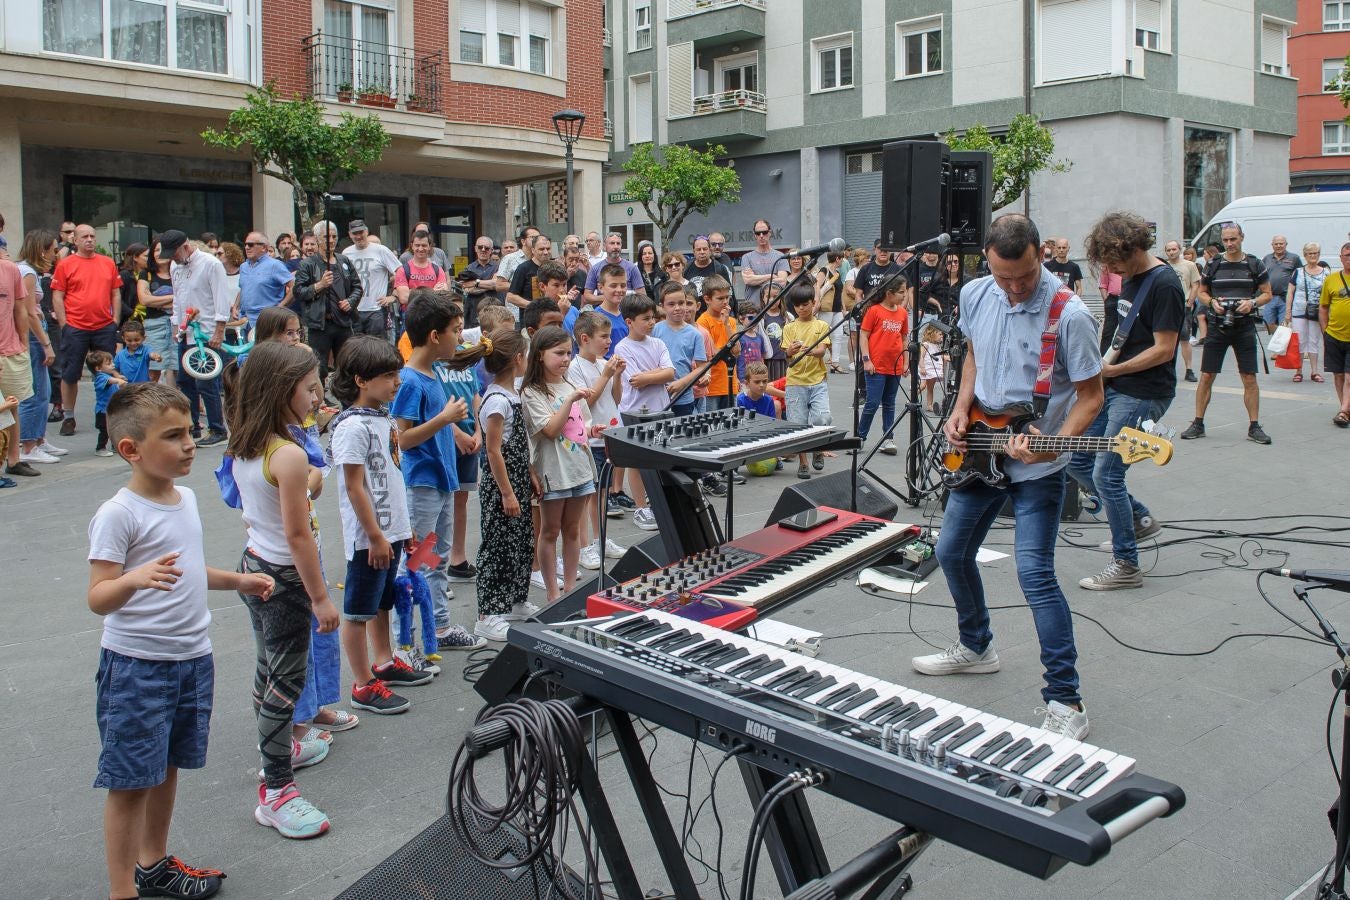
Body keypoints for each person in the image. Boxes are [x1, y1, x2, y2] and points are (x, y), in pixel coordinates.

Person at [914, 214, 1103, 741]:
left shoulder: (1071, 315)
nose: (1015, 289)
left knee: (1035, 575)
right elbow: (974, 353)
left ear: (1041, 254)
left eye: (1023, 277)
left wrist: (1053, 442)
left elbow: (1092, 397)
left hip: (1038, 464)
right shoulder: (976, 293)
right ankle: (977, 647)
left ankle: (1066, 699)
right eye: (1004, 279)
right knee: (950, 552)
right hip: (981, 445)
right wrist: (959, 408)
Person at [88, 382, 272, 900]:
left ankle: (153, 864)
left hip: (191, 658)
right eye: (173, 436)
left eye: (190, 432)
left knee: (167, 768)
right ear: (131, 449)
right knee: (130, 781)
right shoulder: (119, 513)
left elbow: (188, 570)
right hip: (137, 666)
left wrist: (237, 580)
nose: (190, 444)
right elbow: (99, 597)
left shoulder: (185, 497)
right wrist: (133, 579)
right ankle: (122, 890)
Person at [227, 341, 340, 838]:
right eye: (310, 388)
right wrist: (319, 598)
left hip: (256, 565)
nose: (316, 396)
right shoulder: (288, 454)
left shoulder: (247, 441)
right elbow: (298, 536)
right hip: (287, 580)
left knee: (267, 670)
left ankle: (280, 750)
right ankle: (277, 790)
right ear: (281, 391)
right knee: (285, 685)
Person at [1069, 212, 1184, 591]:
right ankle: (1136, 519)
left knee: (1107, 474)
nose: (1111, 268)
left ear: (1133, 248)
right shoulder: (1129, 277)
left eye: (1115, 260)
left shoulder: (1164, 284)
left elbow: (1165, 350)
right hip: (1116, 385)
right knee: (1078, 459)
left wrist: (1114, 373)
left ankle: (1126, 565)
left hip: (1143, 391)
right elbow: (1118, 329)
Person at [327, 337, 421, 716]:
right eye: (387, 376)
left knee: (382, 602)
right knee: (359, 610)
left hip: (391, 531)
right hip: (370, 538)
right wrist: (377, 536)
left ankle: (383, 662)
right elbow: (354, 487)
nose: (396, 382)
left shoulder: (381, 418)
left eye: (396, 374)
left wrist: (403, 528)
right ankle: (363, 682)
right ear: (360, 380)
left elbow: (394, 477)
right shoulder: (351, 427)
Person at [391, 292, 483, 652]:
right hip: (422, 485)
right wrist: (444, 419)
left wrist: (450, 425)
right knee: (414, 562)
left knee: (437, 558)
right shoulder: (410, 380)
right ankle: (403, 644)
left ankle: (439, 628)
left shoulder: (432, 375)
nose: (460, 338)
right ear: (434, 336)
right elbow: (403, 439)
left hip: (442, 481)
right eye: (456, 330)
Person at [522, 326, 597, 604]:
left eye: (568, 352)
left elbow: (580, 428)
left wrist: (594, 430)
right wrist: (568, 400)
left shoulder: (569, 386)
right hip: (554, 471)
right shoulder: (532, 392)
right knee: (550, 531)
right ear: (540, 355)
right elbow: (551, 430)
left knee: (573, 530)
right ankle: (553, 593)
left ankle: (569, 590)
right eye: (558, 353)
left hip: (579, 468)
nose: (566, 358)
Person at [1179, 223, 1273, 445]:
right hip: (1217, 327)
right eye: (1226, 240)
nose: (1229, 244)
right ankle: (1198, 422)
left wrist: (1252, 302)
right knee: (1207, 376)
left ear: (1242, 238)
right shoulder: (1213, 263)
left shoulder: (1254, 263)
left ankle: (1254, 426)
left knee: (1249, 377)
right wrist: (1212, 303)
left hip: (1244, 327)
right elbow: (1202, 292)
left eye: (1233, 239)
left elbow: (1268, 293)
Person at [475, 329, 535, 640]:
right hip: (502, 487)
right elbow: (493, 449)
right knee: (497, 546)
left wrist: (530, 474)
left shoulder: (512, 395)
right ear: (517, 358)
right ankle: (487, 612)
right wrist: (507, 492)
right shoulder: (496, 401)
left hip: (519, 480)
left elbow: (518, 443)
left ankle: (514, 600)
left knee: (521, 542)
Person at [568, 311, 627, 570]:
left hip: (609, 435)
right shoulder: (575, 367)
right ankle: (586, 545)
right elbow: (585, 406)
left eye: (609, 336)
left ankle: (601, 538)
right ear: (584, 338)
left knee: (603, 493)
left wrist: (615, 376)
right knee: (590, 494)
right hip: (590, 438)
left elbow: (615, 399)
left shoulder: (603, 363)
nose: (608, 342)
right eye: (603, 337)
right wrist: (605, 375)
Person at [162, 230, 232, 446]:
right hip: (186, 331)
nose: (172, 258)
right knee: (184, 381)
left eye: (174, 253)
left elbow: (222, 297)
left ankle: (217, 428)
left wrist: (219, 330)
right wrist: (176, 325)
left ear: (185, 246)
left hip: (206, 332)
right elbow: (178, 298)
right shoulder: (175, 266)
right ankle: (191, 425)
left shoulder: (210, 264)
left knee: (206, 383)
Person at [52, 224, 120, 439]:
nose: (89, 239)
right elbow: (57, 295)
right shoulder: (66, 264)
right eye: (85, 236)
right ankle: (69, 416)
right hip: (76, 327)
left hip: (103, 326)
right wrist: (65, 324)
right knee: (70, 373)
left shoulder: (107, 263)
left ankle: (110, 415)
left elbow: (115, 293)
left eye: (92, 236)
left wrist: (115, 321)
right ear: (76, 240)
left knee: (108, 371)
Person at [613, 294, 674, 531]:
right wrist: (656, 374)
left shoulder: (658, 343)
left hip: (660, 409)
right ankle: (640, 507)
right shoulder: (623, 347)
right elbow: (636, 381)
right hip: (634, 411)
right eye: (645, 319)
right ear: (629, 322)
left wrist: (655, 375)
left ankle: (656, 501)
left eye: (652, 318)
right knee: (637, 463)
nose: (651, 323)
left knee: (660, 457)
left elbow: (670, 373)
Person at [16, 230, 64, 465]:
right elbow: (28, 313)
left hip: (36, 333)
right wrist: (46, 344)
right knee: (35, 393)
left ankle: (39, 439)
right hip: (35, 336)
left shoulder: (28, 271)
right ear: (41, 249)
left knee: (42, 391)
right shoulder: (27, 273)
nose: (55, 254)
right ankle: (28, 445)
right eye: (53, 249)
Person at [294, 220, 362, 386]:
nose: (331, 240)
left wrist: (350, 302)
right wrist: (319, 286)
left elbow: (357, 287)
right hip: (320, 324)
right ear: (317, 239)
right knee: (319, 366)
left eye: (333, 236)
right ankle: (319, 401)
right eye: (326, 236)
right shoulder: (308, 264)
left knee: (346, 364)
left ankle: (347, 401)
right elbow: (299, 292)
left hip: (343, 322)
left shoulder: (344, 261)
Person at [857, 274, 909, 456]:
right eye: (901, 292)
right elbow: (864, 335)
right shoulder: (874, 311)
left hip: (895, 365)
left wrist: (906, 362)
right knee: (872, 403)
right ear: (889, 293)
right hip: (875, 366)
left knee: (890, 403)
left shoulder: (902, 313)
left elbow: (904, 339)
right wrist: (866, 359)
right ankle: (860, 438)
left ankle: (888, 438)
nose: (904, 296)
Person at [782, 285, 831, 478]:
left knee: (822, 418)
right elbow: (788, 357)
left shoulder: (822, 326)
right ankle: (803, 463)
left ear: (813, 303)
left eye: (805, 304)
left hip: (818, 380)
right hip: (795, 382)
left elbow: (822, 351)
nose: (801, 309)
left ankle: (818, 447)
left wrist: (807, 350)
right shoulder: (789, 328)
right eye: (797, 306)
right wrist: (790, 351)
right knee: (797, 424)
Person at [0, 252, 34, 478]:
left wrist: (23, 343)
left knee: (12, 404)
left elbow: (20, 309)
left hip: (10, 349)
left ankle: (13, 460)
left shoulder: (10, 269)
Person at [654, 280, 707, 417]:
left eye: (681, 303)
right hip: (657, 396)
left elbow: (702, 367)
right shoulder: (655, 330)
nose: (677, 308)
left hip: (683, 397)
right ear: (662, 306)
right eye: (671, 304)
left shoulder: (695, 334)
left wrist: (681, 383)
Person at [342, 220, 401, 339]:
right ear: (350, 234)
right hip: (354, 310)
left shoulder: (381, 250)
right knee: (356, 349)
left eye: (361, 232)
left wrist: (394, 296)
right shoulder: (346, 253)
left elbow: (401, 272)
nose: (358, 236)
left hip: (376, 309)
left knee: (377, 349)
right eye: (355, 233)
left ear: (366, 231)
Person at [696, 275, 740, 412]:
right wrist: (727, 349)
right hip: (712, 386)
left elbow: (737, 350)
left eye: (727, 297)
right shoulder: (703, 321)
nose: (725, 302)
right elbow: (712, 353)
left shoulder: (731, 321)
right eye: (720, 298)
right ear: (707, 299)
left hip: (730, 383)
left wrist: (726, 323)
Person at [138, 237, 177, 385]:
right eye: (156, 250)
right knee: (154, 367)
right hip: (155, 325)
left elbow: (187, 299)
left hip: (178, 325)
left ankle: (172, 402)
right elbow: (144, 300)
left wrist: (156, 300)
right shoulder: (146, 274)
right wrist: (175, 297)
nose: (160, 254)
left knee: (176, 367)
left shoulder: (179, 272)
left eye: (163, 249)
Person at [1285, 242, 1327, 383]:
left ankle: (1315, 371)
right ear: (1305, 255)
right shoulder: (1298, 271)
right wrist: (1288, 311)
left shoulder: (1326, 273)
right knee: (1300, 341)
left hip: (1317, 312)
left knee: (1314, 340)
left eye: (1315, 253)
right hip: (1299, 310)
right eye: (1310, 253)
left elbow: (1328, 294)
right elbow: (1290, 292)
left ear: (1319, 254)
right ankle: (1299, 370)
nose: (1313, 256)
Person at [238, 231, 295, 333]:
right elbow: (243, 288)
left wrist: (280, 307)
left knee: (265, 349)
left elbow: (294, 287)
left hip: (267, 322)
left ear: (264, 247)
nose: (246, 247)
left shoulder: (275, 265)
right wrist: (235, 307)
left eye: (250, 244)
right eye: (245, 244)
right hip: (244, 321)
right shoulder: (243, 267)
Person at [1163, 240, 1201, 382]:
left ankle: (1189, 369)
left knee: (1185, 338)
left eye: (1174, 249)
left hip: (1183, 306)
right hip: (1167, 307)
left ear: (1179, 249)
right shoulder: (1163, 266)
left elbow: (1195, 284)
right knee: (1167, 338)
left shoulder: (1189, 265)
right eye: (1169, 250)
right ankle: (1168, 369)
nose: (1172, 252)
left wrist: (1189, 303)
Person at [1322, 242, 1350, 428]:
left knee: (1349, 376)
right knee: (1338, 374)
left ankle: (1343, 410)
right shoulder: (1331, 279)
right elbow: (1323, 307)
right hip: (1334, 335)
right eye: (1346, 255)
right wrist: (1325, 331)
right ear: (1340, 258)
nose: (1349, 258)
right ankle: (1345, 408)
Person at [583, 232, 645, 304]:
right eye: (612, 243)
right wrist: (608, 297)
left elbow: (642, 296)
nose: (616, 246)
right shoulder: (595, 269)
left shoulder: (632, 268)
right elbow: (587, 297)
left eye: (618, 243)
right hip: (602, 314)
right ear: (604, 246)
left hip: (626, 312)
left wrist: (622, 297)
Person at [740, 218, 785, 308]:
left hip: (775, 309)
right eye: (758, 233)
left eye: (764, 232)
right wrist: (771, 276)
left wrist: (756, 278)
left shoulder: (781, 256)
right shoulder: (746, 257)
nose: (761, 235)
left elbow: (782, 282)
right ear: (755, 235)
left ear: (769, 233)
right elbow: (748, 280)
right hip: (753, 309)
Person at [1261, 235, 1301, 335]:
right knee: (1267, 325)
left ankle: (1282, 348)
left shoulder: (1294, 258)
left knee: (1285, 326)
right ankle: (1276, 343)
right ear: (1272, 245)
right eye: (1276, 244)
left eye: (1281, 243)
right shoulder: (1267, 258)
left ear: (1286, 244)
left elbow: (1300, 276)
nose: (1278, 246)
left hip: (1285, 298)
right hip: (1270, 297)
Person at [506, 232, 555, 315]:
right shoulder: (523, 268)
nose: (546, 252)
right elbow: (511, 297)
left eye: (548, 248)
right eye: (541, 249)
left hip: (551, 318)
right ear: (533, 250)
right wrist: (533, 305)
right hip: (530, 320)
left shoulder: (555, 268)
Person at [815, 251, 846, 372]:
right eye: (841, 259)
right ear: (837, 259)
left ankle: (835, 362)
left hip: (837, 308)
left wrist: (843, 308)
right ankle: (818, 361)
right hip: (826, 308)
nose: (842, 261)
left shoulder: (837, 273)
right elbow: (817, 286)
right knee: (823, 335)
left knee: (838, 336)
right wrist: (817, 302)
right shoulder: (824, 270)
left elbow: (841, 292)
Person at [685, 235, 734, 308]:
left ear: (710, 250)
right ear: (694, 252)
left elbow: (729, 295)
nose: (702, 252)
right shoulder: (686, 269)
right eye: (698, 249)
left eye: (705, 249)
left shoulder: (720, 269)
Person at [461, 237, 500, 328]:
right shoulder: (468, 268)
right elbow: (469, 289)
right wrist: (489, 285)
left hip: (495, 310)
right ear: (475, 249)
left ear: (491, 250)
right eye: (480, 247)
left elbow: (496, 284)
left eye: (486, 248)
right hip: (474, 312)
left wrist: (475, 283)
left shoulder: (499, 267)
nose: (483, 250)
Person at [593, 264, 630, 356]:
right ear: (601, 287)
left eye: (623, 285)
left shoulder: (630, 314)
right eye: (613, 286)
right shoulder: (595, 318)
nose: (619, 290)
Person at [114, 320, 159, 384]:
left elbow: (151, 354)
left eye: (136, 340)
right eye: (129, 340)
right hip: (127, 388)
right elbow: (114, 369)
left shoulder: (145, 350)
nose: (133, 343)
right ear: (123, 339)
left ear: (143, 338)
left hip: (143, 387)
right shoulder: (120, 355)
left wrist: (155, 356)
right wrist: (117, 375)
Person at [117, 243, 149, 330]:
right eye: (146, 256)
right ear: (135, 258)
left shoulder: (150, 274)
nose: (150, 259)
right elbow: (117, 297)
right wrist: (132, 313)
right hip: (130, 320)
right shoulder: (125, 275)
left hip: (149, 319)